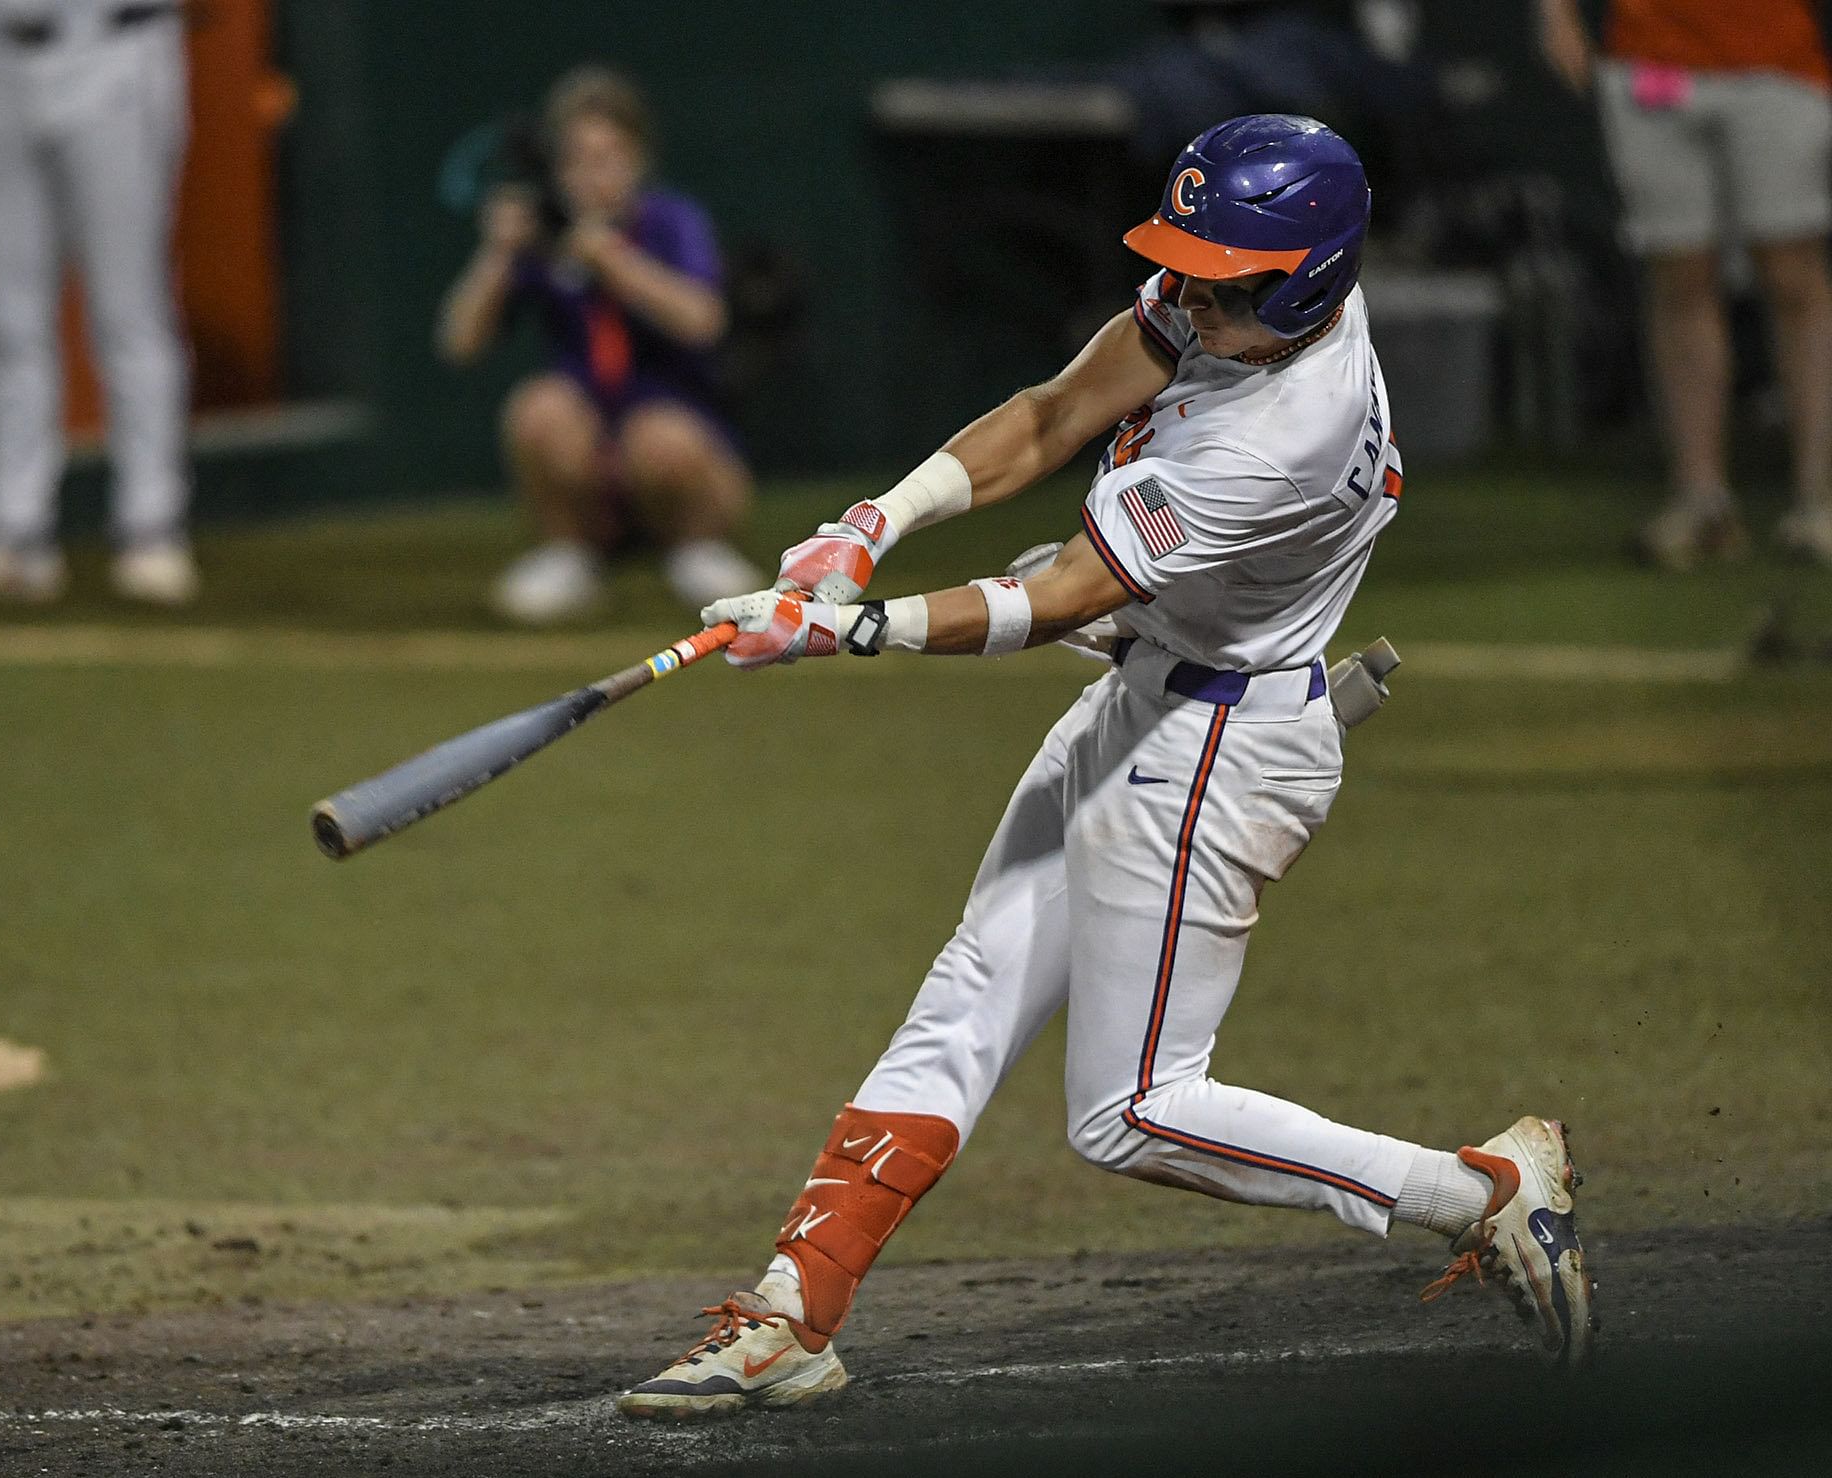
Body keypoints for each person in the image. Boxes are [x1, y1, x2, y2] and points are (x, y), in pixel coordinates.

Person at [614, 116, 1595, 1420]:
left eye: (1218, 273)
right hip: (1155, 696)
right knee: (969, 993)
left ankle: (1476, 1192)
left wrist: (843, 628)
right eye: (1181, 263)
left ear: (1303, 278)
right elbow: (1053, 413)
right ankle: (796, 1310)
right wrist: (864, 530)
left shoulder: (1277, 434)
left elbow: (1055, 596)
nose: (1184, 292)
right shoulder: (1239, 305)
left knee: (1132, 1108)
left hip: (1216, 752)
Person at [438, 66, 762, 626]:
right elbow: (459, 343)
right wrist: (496, 255)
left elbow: (703, 321)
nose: (593, 175)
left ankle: (693, 549)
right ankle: (571, 554)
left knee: (660, 441)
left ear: (637, 159)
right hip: (589, 436)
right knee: (538, 411)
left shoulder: (671, 221)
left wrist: (613, 262)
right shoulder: (543, 237)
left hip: (672, 435)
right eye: (578, 159)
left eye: (607, 157)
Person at [0, 0, 196, 607]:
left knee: (129, 309)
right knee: (6, 318)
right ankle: (17, 532)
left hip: (113, 49)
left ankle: (150, 525)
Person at [1536, 0, 1832, 568]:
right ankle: (1702, 504)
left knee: (1795, 275)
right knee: (1679, 278)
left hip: (1781, 60)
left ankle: (1816, 499)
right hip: (1650, 59)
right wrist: (1555, 13)